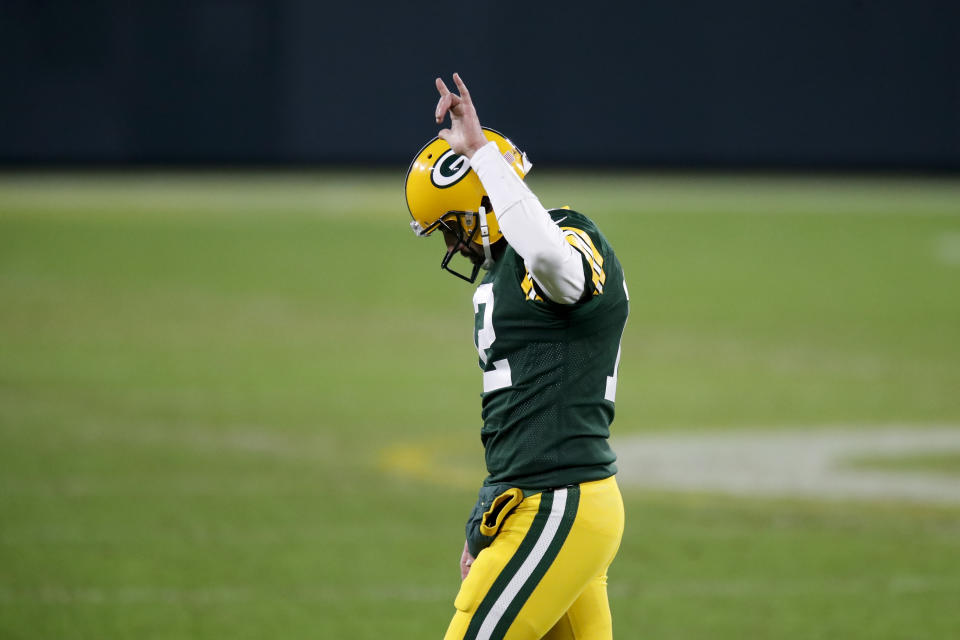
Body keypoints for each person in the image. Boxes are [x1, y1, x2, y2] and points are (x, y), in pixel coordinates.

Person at [404, 73, 629, 640]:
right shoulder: (505, 274)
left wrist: (481, 154)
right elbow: (518, 419)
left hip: (560, 503)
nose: (454, 246)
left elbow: (554, 262)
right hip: (537, 500)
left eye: (452, 229)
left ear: (484, 202)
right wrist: (485, 516)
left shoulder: (566, 237)